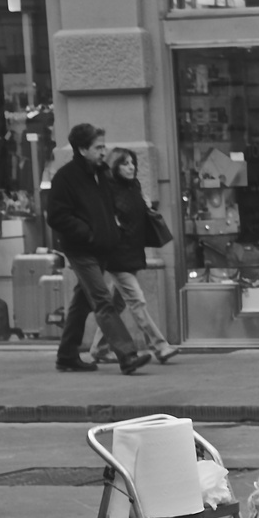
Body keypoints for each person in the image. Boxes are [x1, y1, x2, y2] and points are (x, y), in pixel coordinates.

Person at [45, 124, 152, 375]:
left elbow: (110, 207)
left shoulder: (101, 174)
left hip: (102, 247)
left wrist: (113, 232)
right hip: (81, 249)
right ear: (82, 149)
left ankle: (67, 355)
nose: (104, 152)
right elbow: (57, 216)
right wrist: (88, 233)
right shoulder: (66, 177)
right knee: (103, 301)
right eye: (98, 147)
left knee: (82, 303)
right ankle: (127, 355)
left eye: (104, 146)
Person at [88, 148, 180, 365]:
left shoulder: (134, 186)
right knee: (137, 301)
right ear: (115, 166)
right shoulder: (107, 190)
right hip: (117, 255)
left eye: (132, 163)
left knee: (116, 304)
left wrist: (147, 206)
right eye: (125, 163)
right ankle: (160, 346)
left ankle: (99, 348)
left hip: (134, 252)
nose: (131, 167)